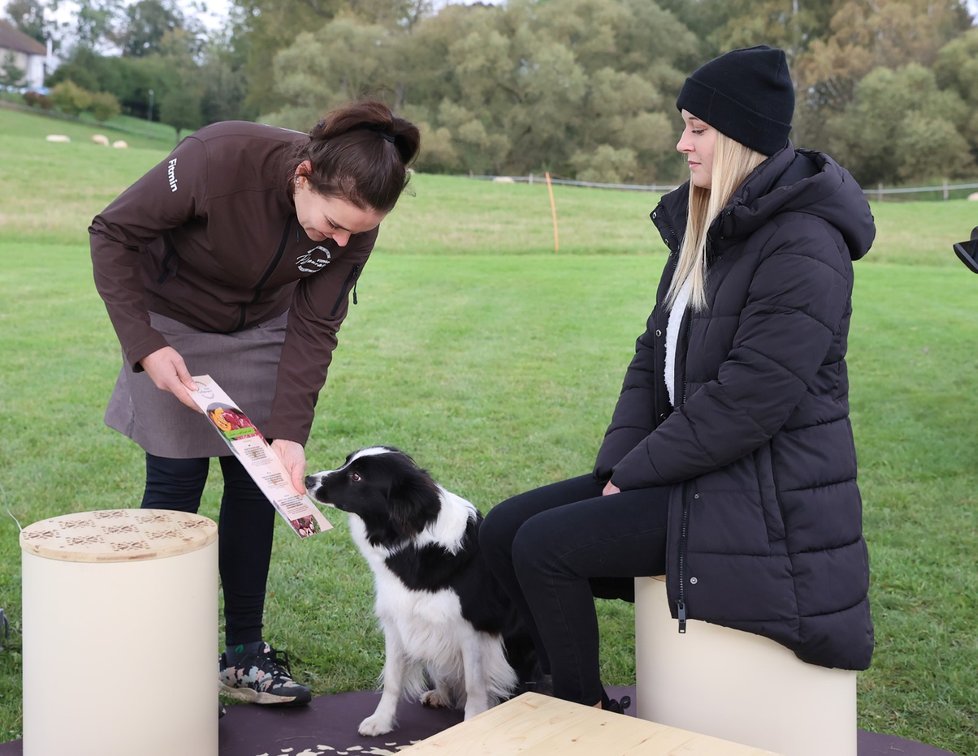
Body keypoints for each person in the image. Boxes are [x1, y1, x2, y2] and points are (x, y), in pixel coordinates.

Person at [479, 45, 875, 711]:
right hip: (696, 472)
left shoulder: (805, 243)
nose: (680, 143)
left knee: (547, 546)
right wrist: (619, 462)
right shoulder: (708, 223)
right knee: (505, 530)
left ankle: (579, 715)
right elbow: (650, 355)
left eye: (697, 129)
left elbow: (750, 400)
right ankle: (540, 691)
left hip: (761, 496)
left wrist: (634, 478)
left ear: (741, 138)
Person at [90, 100, 421, 706]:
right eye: (334, 223)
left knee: (256, 483)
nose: (344, 239)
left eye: (359, 230)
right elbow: (112, 232)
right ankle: (157, 653)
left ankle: (243, 656)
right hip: (172, 320)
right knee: (174, 481)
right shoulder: (218, 158)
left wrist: (291, 432)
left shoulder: (353, 226)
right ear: (303, 176)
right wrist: (145, 345)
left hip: (265, 328)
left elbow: (316, 324)